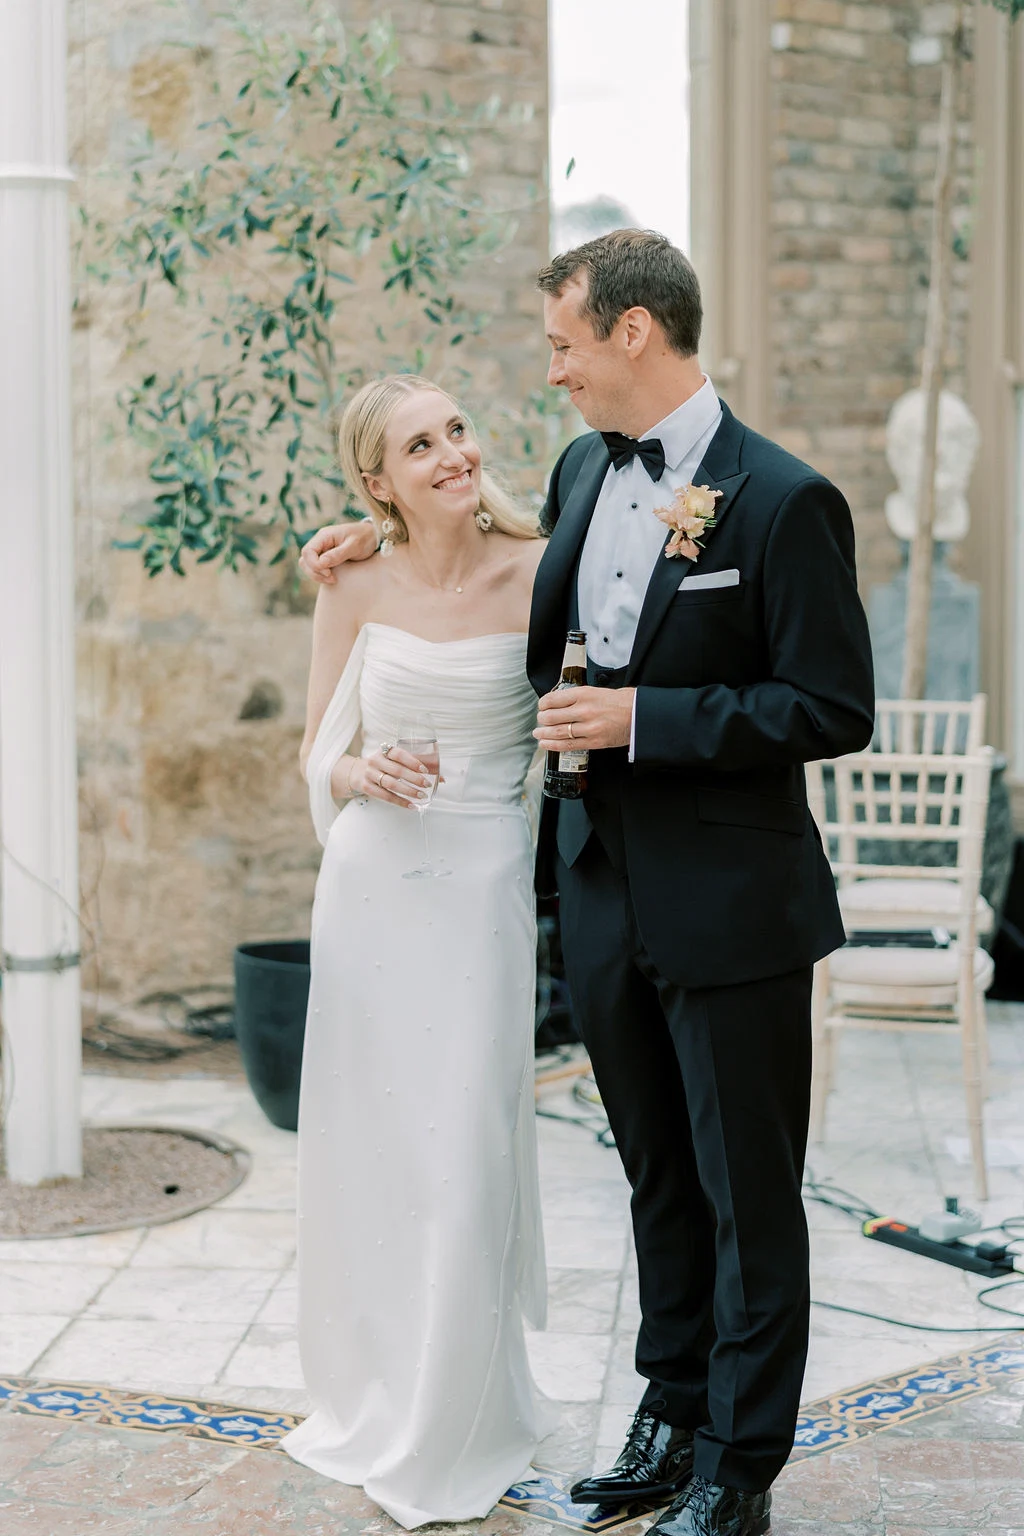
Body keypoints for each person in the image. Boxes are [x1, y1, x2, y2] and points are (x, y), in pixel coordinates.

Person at [301, 230, 875, 1536]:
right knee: (656, 1176)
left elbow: (832, 706)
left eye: (563, 343)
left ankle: (738, 1467)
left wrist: (643, 722)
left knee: (744, 1196)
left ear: (631, 332)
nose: (551, 370)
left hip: (730, 904)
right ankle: (668, 1414)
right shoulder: (577, 470)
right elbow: (482, 567)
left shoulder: (784, 500)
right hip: (597, 888)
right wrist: (361, 545)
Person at [280, 373, 554, 1528]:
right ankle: (378, 1392)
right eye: (420, 445)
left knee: (466, 1149)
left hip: (482, 892)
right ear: (376, 481)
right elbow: (315, 753)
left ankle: (460, 1414)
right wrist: (360, 770)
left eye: (456, 430)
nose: (453, 455)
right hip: (373, 892)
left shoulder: (540, 569)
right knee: (379, 1149)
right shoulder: (350, 582)